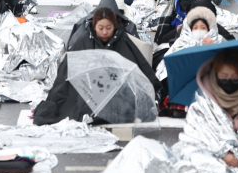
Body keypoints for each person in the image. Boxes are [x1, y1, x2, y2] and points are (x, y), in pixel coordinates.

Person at [33, 7, 161, 125]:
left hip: (115, 90)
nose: (105, 32)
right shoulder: (83, 41)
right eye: (101, 28)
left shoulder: (123, 41)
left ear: (115, 26)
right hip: (88, 89)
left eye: (108, 28)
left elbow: (139, 66)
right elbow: (67, 71)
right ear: (94, 27)